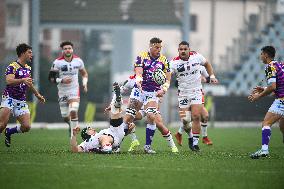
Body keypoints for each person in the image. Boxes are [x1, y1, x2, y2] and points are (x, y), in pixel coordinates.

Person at [120, 37, 176, 153]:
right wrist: (139, 82)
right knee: (128, 118)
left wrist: (164, 89)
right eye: (156, 47)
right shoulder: (141, 57)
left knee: (151, 116)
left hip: (153, 93)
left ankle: (147, 147)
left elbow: (168, 79)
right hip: (139, 91)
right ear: (150, 47)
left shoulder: (164, 60)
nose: (159, 49)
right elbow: (139, 72)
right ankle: (116, 144)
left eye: (160, 47)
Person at [170, 41, 218, 151]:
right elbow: (168, 74)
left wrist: (212, 76)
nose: (183, 51)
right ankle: (190, 137)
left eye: (185, 49)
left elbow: (207, 64)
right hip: (183, 94)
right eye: (181, 49)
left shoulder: (197, 56)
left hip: (196, 92)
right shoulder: (173, 62)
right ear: (178, 50)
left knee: (196, 116)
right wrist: (165, 80)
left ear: (189, 49)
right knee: (185, 120)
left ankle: (195, 143)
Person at [0, 43, 45, 147]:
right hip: (9, 98)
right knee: (2, 125)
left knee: (26, 127)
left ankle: (9, 132)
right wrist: (22, 80)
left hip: (21, 100)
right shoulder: (12, 66)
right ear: (22, 53)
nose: (31, 55)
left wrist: (37, 94)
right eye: (29, 52)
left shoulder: (28, 68)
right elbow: (9, 81)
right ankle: (4, 129)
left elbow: (28, 83)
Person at [71, 83, 134, 153]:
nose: (91, 128)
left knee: (114, 108)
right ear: (86, 134)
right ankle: (107, 148)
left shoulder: (99, 134)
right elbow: (75, 150)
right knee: (102, 137)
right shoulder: (87, 142)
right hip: (112, 138)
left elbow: (122, 134)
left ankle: (117, 96)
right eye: (89, 129)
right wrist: (73, 135)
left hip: (115, 131)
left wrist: (129, 130)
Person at [248, 46, 284, 159]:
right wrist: (264, 88)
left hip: (282, 100)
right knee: (283, 127)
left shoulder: (270, 67)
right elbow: (279, 86)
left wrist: (258, 96)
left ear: (266, 55)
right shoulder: (280, 65)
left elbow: (273, 87)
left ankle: (264, 150)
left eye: (261, 54)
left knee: (266, 123)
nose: (260, 57)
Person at [48, 41, 88, 137]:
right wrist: (61, 80)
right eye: (65, 49)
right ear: (62, 51)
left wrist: (84, 84)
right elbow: (51, 78)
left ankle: (73, 134)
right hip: (62, 92)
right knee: (65, 116)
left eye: (69, 48)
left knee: (73, 110)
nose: (67, 50)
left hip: (74, 90)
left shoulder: (78, 61)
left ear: (72, 49)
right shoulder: (57, 62)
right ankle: (70, 124)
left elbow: (84, 74)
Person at [174, 66, 213, 146]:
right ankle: (181, 134)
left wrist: (207, 79)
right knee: (187, 119)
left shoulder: (200, 68)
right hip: (185, 96)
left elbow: (208, 78)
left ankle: (202, 138)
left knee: (204, 116)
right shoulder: (182, 68)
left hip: (198, 94)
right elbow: (176, 83)